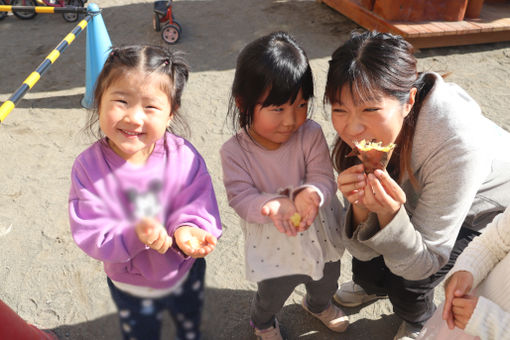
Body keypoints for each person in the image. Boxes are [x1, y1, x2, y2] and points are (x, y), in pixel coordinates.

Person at [326, 30, 510, 340]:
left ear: (408, 100)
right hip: (416, 192)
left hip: (479, 207)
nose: (352, 128)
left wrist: (390, 215)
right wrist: (360, 206)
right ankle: (372, 287)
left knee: (409, 285)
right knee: (371, 264)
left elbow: (424, 263)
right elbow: (358, 245)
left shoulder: (457, 144)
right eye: (339, 109)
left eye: (370, 109)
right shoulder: (361, 135)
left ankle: (417, 320)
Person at [68, 45, 222, 340]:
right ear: (99, 100)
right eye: (121, 101)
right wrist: (134, 233)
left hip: (184, 271)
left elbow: (197, 202)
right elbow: (91, 231)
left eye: (150, 107)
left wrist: (188, 229)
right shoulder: (88, 167)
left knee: (189, 322)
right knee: (142, 332)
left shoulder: (183, 155)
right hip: (130, 283)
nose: (134, 118)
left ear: (170, 114)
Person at [220, 31, 348, 340]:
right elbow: (240, 196)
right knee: (273, 291)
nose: (291, 120)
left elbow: (323, 177)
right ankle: (262, 322)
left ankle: (317, 304)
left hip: (319, 228)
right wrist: (272, 205)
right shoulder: (235, 151)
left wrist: (313, 193)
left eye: (301, 105)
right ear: (244, 103)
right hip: (274, 239)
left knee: (327, 276)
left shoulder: (310, 133)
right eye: (278, 109)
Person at [416, 205, 510, 340]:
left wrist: (492, 323)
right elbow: (494, 241)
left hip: (481, 320)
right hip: (469, 310)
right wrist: (467, 269)